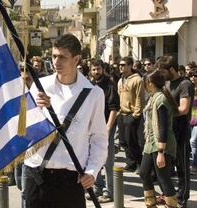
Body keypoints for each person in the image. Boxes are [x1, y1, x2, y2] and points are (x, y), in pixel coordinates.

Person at [22, 33, 108, 208]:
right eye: (54, 56)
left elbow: (99, 138)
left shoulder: (93, 93)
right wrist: (37, 110)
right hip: (37, 173)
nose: (56, 62)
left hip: (70, 178)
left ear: (76, 59)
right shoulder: (39, 86)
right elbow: (24, 130)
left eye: (62, 57)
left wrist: (92, 171)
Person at [139, 70, 178, 208]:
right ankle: (151, 204)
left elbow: (163, 127)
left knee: (163, 177)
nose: (144, 85)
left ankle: (172, 205)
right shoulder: (152, 98)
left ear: (150, 83)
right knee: (144, 172)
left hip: (162, 144)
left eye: (145, 82)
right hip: (151, 143)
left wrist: (161, 152)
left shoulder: (160, 98)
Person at [159, 55, 194, 208]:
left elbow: (184, 109)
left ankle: (182, 198)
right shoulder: (168, 84)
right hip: (169, 132)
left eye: (163, 71)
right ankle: (170, 195)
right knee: (165, 167)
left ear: (172, 69)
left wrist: (166, 112)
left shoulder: (185, 84)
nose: (162, 74)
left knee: (182, 167)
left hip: (181, 131)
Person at [89, 59, 120, 203]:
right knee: (94, 158)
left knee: (108, 160)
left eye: (98, 69)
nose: (96, 72)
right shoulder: (90, 84)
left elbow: (114, 108)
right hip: (93, 126)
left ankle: (109, 192)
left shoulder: (110, 84)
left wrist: (108, 128)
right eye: (94, 69)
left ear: (103, 69)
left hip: (106, 125)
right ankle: (97, 188)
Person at [117, 56, 145, 172]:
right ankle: (130, 162)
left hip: (132, 113)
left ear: (130, 66)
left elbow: (139, 97)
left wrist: (136, 114)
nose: (121, 67)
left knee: (132, 141)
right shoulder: (121, 79)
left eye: (123, 65)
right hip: (122, 113)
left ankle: (139, 163)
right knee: (123, 141)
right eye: (120, 65)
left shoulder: (137, 80)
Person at [189, 68, 197, 175]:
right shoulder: (189, 88)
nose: (193, 78)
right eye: (191, 75)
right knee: (195, 143)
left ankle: (196, 166)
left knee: (193, 141)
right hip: (190, 119)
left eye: (195, 76)